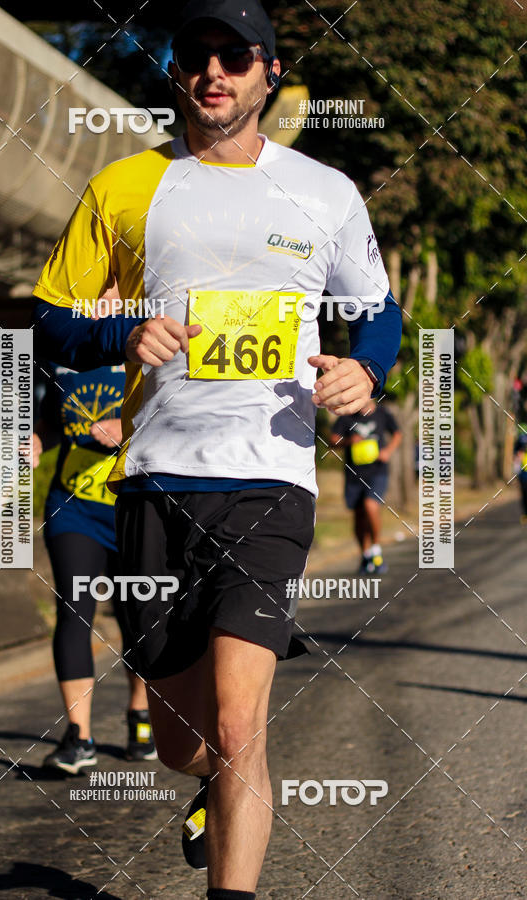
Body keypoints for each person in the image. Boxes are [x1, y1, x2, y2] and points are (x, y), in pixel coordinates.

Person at [30, 0, 402, 894]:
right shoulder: (125, 187)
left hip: (271, 480)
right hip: (154, 483)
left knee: (241, 729)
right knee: (183, 744)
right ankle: (209, 786)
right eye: (197, 54)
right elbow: (47, 320)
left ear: (270, 71)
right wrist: (118, 335)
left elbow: (378, 311)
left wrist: (368, 370)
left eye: (235, 56)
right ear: (177, 71)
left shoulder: (324, 191)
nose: (214, 72)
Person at [32, 354, 157, 773]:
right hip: (74, 508)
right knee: (73, 611)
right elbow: (52, 421)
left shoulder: (151, 346)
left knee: (138, 615)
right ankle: (79, 736)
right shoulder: (64, 357)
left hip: (136, 508)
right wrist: (38, 439)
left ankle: (140, 716)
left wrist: (130, 427)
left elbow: (182, 415)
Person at [331, 398, 401, 574]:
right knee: (359, 516)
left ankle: (376, 549)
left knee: (371, 505)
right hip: (354, 474)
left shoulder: (382, 413)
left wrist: (388, 451)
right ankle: (366, 555)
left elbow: (397, 434)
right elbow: (333, 440)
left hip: (377, 471)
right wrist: (348, 441)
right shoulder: (347, 415)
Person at [513, 424, 527, 524]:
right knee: (524, 494)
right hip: (523, 474)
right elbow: (515, 454)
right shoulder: (520, 438)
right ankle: (525, 514)